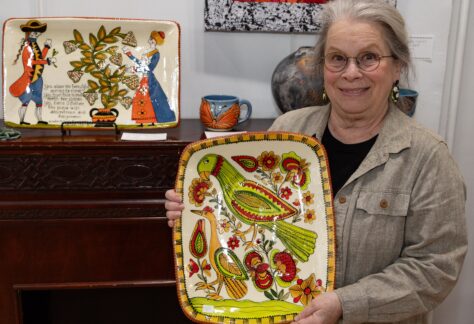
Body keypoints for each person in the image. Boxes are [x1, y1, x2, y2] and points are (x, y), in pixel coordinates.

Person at [165, 0, 467, 323]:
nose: (351, 73)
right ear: (323, 66)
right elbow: (251, 219)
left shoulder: (428, 157)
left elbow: (435, 268)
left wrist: (344, 304)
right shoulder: (287, 131)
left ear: (398, 66)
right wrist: (197, 209)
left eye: (369, 57)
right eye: (337, 58)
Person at [123, 31, 176, 126]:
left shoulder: (156, 54)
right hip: (144, 78)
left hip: (149, 79)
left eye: (152, 39)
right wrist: (129, 55)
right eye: (151, 38)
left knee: (149, 98)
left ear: (155, 42)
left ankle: (151, 120)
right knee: (141, 98)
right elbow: (140, 63)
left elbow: (149, 68)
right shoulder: (147, 51)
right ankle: (143, 121)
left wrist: (134, 69)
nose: (150, 40)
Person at [9, 19, 56, 125]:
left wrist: (46, 47)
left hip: (38, 77)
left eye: (38, 33)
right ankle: (21, 121)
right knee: (26, 99)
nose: (37, 35)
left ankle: (39, 120)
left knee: (39, 100)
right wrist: (47, 61)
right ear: (29, 33)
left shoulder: (35, 46)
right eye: (35, 33)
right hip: (29, 78)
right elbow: (32, 62)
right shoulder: (27, 48)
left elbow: (40, 57)